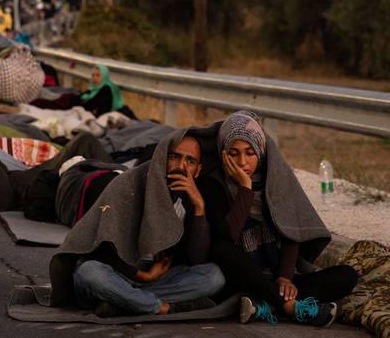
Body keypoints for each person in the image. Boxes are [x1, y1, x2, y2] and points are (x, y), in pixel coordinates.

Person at [199, 111, 358, 327]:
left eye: (249, 153)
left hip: (274, 276)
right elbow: (229, 234)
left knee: (347, 275)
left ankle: (264, 304)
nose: (242, 162)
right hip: (238, 278)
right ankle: (288, 306)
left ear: (261, 152)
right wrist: (245, 188)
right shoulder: (213, 184)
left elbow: (291, 229)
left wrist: (285, 277)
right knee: (221, 248)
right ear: (223, 153)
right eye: (234, 154)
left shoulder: (274, 180)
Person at [48, 130, 225, 317]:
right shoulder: (129, 184)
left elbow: (196, 258)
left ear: (198, 170)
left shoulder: (192, 199)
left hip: (159, 280)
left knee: (214, 276)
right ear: (162, 158)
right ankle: (162, 308)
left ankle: (123, 303)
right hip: (118, 275)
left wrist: (199, 207)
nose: (181, 166)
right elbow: (99, 249)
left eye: (190, 161)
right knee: (89, 272)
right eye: (174, 157)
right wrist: (141, 275)